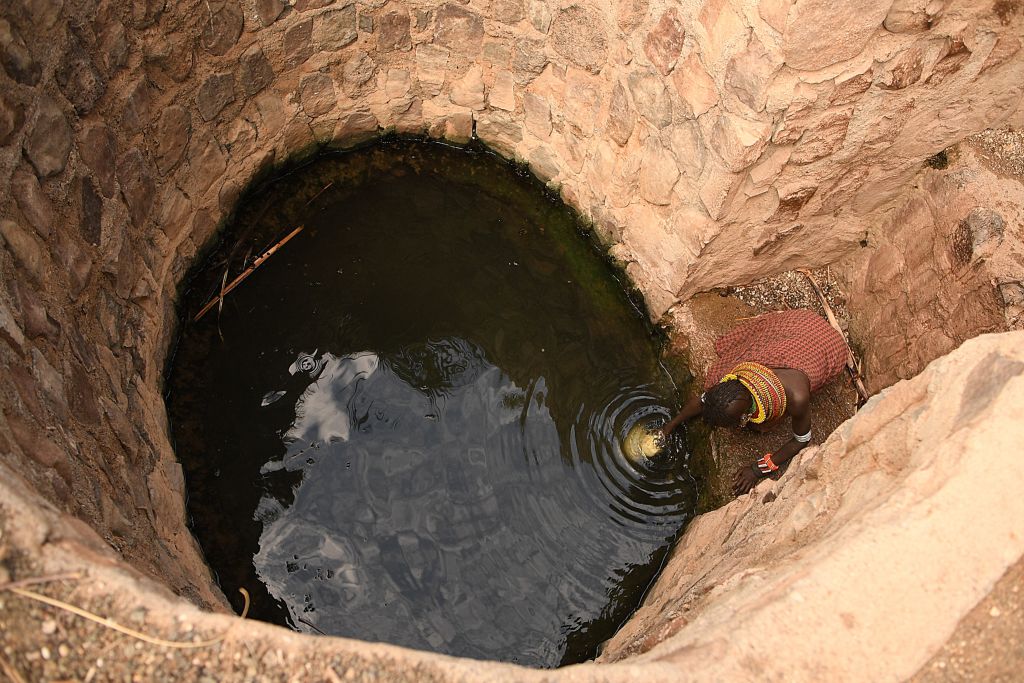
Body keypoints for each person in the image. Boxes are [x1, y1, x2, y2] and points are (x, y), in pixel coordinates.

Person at [661, 308, 848, 496]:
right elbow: (704, 400)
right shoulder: (737, 377)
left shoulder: (797, 398)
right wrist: (670, 426)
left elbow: (802, 440)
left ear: (745, 416)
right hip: (797, 327)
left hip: (824, 343)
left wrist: (757, 470)